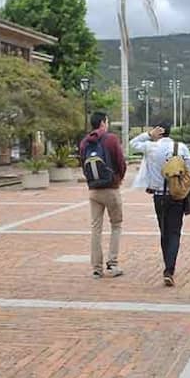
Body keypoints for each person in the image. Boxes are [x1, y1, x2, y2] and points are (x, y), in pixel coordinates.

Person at [130, 121, 190, 286]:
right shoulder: (181, 147)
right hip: (177, 196)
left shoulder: (151, 147)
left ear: (158, 131)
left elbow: (132, 144)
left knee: (164, 231)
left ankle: (168, 264)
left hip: (158, 196)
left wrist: (148, 135)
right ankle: (169, 269)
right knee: (175, 232)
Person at [78, 112, 126, 279]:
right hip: (111, 188)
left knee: (96, 228)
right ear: (103, 122)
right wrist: (118, 179)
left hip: (94, 191)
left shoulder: (84, 142)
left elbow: (83, 165)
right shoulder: (111, 139)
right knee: (116, 225)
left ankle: (96, 268)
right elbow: (120, 162)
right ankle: (112, 263)